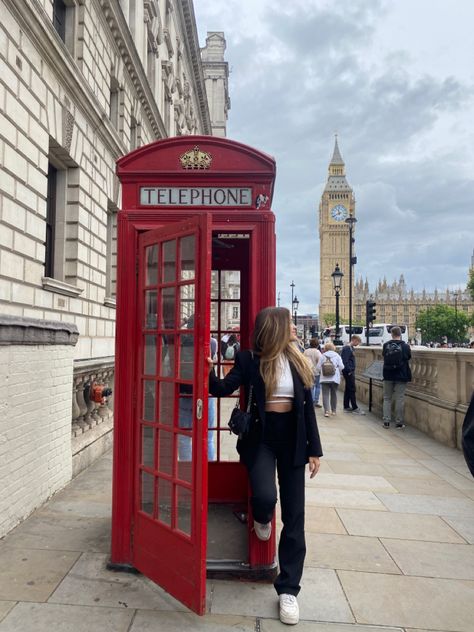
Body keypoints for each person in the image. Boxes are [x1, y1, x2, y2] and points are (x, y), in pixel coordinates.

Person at [208, 307, 322, 625]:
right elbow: (220, 389)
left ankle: (288, 591)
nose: (295, 329)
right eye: (290, 324)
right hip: (261, 436)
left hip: (293, 439)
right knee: (264, 497)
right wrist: (206, 368)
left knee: (295, 516)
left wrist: (315, 450)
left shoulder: (299, 360)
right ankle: (261, 518)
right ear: (275, 329)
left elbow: (307, 410)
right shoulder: (248, 360)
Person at [382, 326, 412, 429]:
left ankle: (386, 421)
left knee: (387, 398)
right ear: (401, 334)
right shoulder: (405, 346)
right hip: (401, 374)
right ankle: (399, 422)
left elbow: (384, 356)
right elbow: (408, 357)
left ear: (391, 334)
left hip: (388, 374)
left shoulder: (386, 345)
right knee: (400, 398)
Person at [317, 342, 344, 418]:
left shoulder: (323, 356)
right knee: (334, 394)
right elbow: (342, 367)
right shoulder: (337, 356)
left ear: (326, 348)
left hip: (324, 378)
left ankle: (326, 411)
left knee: (325, 394)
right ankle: (334, 410)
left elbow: (318, 367)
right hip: (334, 378)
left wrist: (322, 371)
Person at [341, 335, 365, 415]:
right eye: (358, 342)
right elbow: (345, 361)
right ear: (354, 340)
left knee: (348, 389)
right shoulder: (347, 348)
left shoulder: (350, 348)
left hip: (348, 371)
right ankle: (355, 407)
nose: (358, 344)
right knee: (352, 389)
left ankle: (346, 406)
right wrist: (349, 370)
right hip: (349, 372)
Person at [304, 338, 322, 408]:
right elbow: (320, 361)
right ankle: (315, 401)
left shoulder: (306, 351)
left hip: (308, 371)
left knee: (311, 386)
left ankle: (310, 401)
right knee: (317, 386)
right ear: (317, 345)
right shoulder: (317, 352)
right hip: (316, 371)